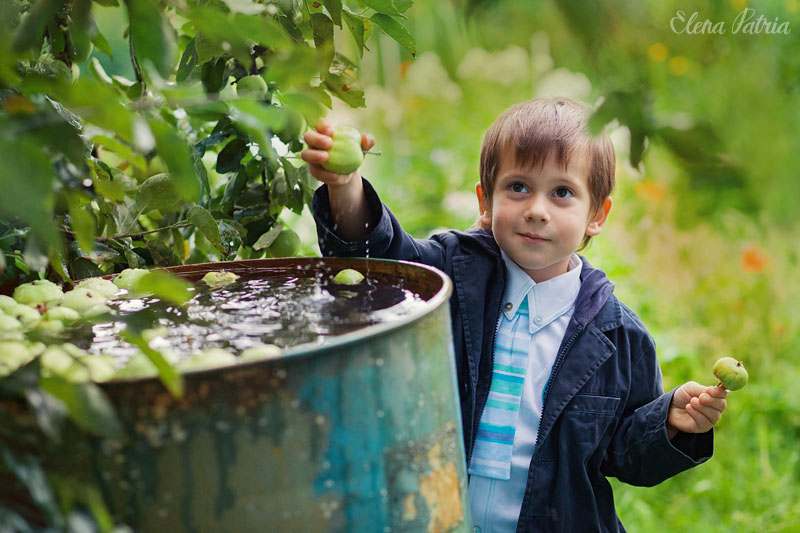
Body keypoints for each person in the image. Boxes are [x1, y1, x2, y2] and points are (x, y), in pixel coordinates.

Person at [301, 97, 728, 532]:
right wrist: (346, 187)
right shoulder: (451, 274)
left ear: (596, 215)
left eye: (562, 193)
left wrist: (669, 423)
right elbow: (381, 263)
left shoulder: (619, 337)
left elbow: (625, 455)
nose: (537, 210)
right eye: (519, 187)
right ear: (485, 202)